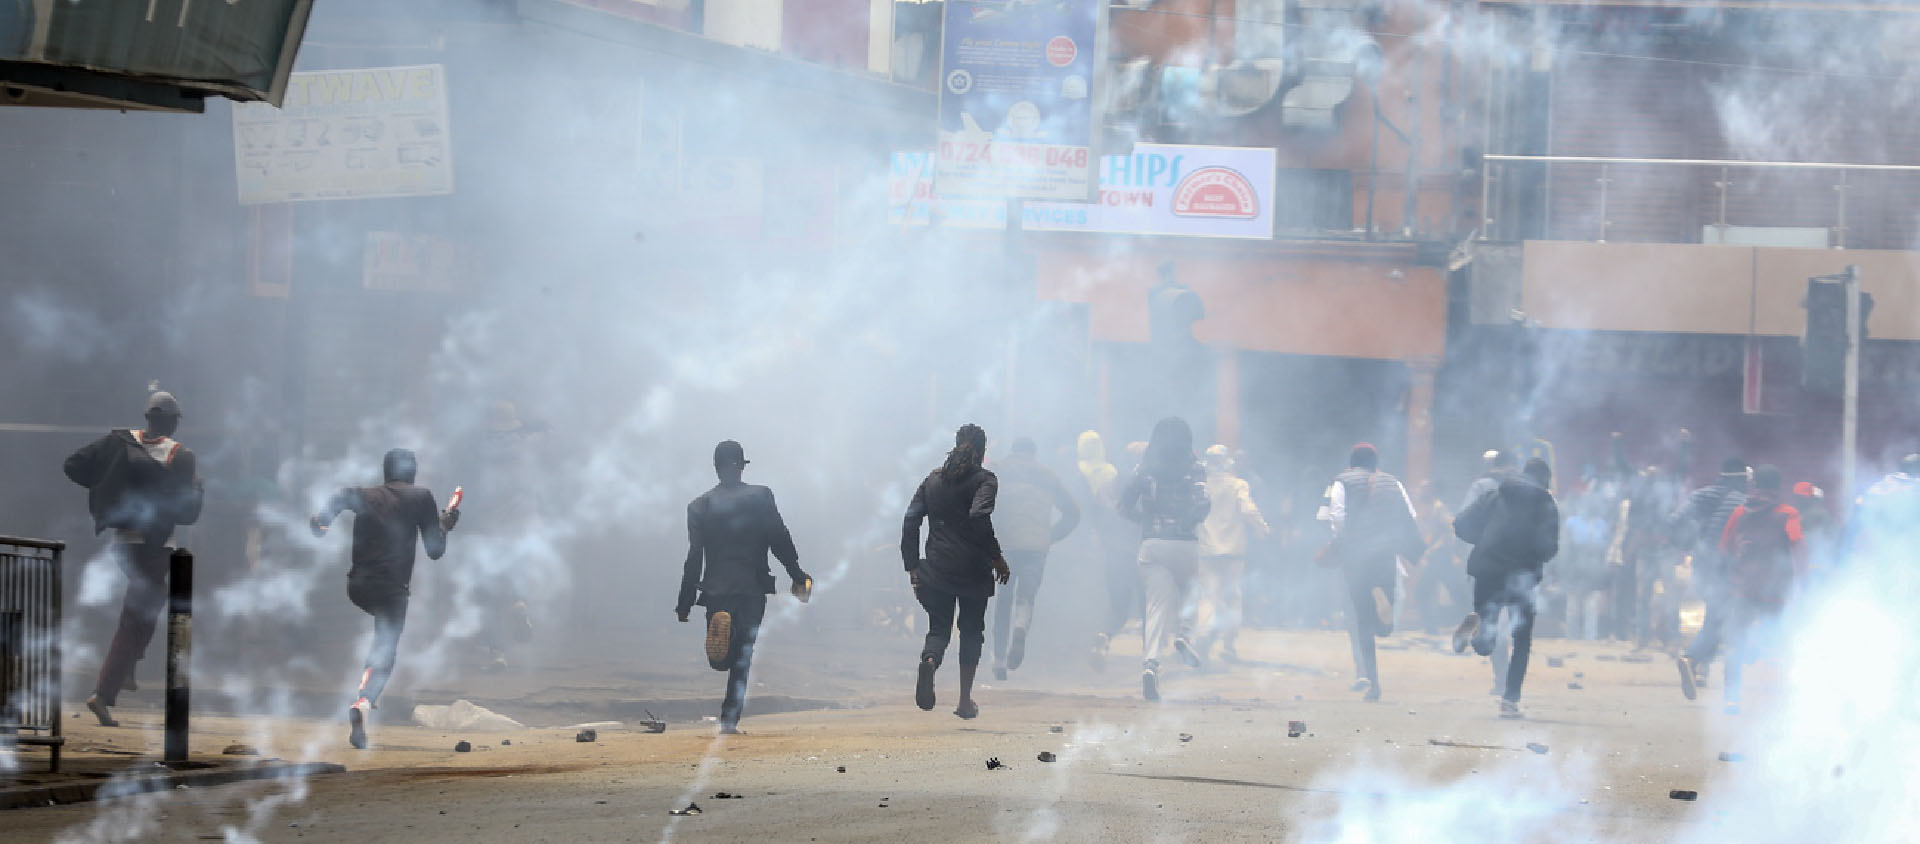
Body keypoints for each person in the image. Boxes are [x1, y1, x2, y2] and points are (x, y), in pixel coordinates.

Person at [65, 392, 205, 727]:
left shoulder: (119, 443)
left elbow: (73, 465)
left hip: (123, 545)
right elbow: (187, 513)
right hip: (154, 547)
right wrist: (197, 490)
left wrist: (109, 488)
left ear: (148, 417)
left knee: (149, 604)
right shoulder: (179, 455)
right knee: (134, 618)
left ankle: (128, 668)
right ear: (172, 422)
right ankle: (104, 692)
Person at [311, 448, 459, 749]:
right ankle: (364, 701)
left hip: (358, 586)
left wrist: (322, 522)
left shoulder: (366, 494)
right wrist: (444, 525)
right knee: (385, 647)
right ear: (413, 472)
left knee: (382, 635)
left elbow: (339, 498)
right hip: (391, 589)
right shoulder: (421, 497)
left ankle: (366, 699)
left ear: (385, 471)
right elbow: (435, 550)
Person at [674, 440, 810, 735]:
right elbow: (779, 538)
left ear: (716, 468)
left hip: (715, 588)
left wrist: (685, 601)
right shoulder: (760, 496)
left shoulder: (699, 505)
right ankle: (729, 719)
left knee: (720, 660)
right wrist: (797, 573)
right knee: (744, 656)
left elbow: (694, 555)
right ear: (742, 465)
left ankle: (722, 642)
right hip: (752, 585)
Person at [903, 424, 1011, 719]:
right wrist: (997, 557)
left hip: (936, 568)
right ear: (982, 450)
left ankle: (929, 660)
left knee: (939, 628)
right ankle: (964, 700)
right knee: (972, 631)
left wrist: (912, 565)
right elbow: (978, 517)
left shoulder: (933, 479)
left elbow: (910, 520)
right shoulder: (984, 480)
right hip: (973, 571)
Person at [1451, 458, 1560, 719]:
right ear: (1544, 479)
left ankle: (1477, 632)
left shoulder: (1495, 494)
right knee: (1521, 639)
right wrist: (1532, 554)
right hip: (1521, 577)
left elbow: (1460, 524)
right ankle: (1509, 701)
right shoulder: (1545, 503)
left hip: (1487, 568)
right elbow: (1549, 548)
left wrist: (1485, 539)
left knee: (1487, 634)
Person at [1318, 443, 1421, 702]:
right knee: (1383, 626)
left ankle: (1373, 684)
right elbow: (1411, 515)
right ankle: (1384, 618)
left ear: (1351, 463)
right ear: (1376, 463)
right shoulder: (1393, 483)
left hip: (1356, 557)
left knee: (1362, 621)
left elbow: (1337, 517)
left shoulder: (1341, 481)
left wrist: (1342, 543)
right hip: (1385, 555)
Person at [1117, 418, 1210, 701]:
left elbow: (1123, 506)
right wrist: (1186, 523)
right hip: (1185, 544)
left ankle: (1151, 665)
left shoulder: (1143, 469)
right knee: (1193, 590)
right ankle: (1184, 635)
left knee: (1156, 607)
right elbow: (1203, 503)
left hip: (1152, 544)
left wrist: (1145, 521)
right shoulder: (1195, 468)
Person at [1715, 465, 1804, 715]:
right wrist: (1804, 583)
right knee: (1776, 643)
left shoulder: (1739, 512)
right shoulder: (1789, 514)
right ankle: (1775, 701)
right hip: (1775, 590)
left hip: (1743, 587)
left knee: (1736, 642)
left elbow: (1725, 547)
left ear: (1755, 487)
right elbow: (1797, 546)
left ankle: (1732, 699)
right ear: (1777, 488)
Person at [987, 438, 1079, 680]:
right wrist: (1051, 536)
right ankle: (1020, 626)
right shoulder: (1047, 475)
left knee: (1003, 600)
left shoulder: (999, 470)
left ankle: (998, 662)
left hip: (1005, 545)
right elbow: (1073, 512)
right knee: (1026, 595)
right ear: (1033, 454)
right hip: (1036, 547)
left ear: (1013, 451)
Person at [1671, 457, 1748, 698]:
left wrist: (1688, 544)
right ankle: (1693, 660)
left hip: (1702, 565)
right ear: (1741, 479)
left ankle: (1699, 667)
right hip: (1725, 569)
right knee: (1721, 622)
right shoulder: (1742, 502)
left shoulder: (1700, 496)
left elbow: (1674, 521)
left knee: (1715, 618)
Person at [1196, 445, 1270, 663]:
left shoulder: (1200, 487)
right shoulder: (1238, 484)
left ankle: (1203, 636)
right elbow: (1248, 510)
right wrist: (1262, 529)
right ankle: (1228, 645)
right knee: (1232, 597)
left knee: (1208, 596)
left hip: (1207, 549)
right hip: (1233, 551)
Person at [1078, 431, 1136, 672]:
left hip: (1107, 547)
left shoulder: (1085, 474)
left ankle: (1101, 633)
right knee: (1149, 602)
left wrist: (1097, 539)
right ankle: (1151, 657)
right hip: (1139, 550)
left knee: (1108, 596)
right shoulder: (1134, 481)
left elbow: (1096, 515)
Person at [1411, 481, 1468, 636]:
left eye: (1423, 490)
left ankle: (1469, 627)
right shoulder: (1429, 509)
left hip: (1442, 558)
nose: (1420, 492)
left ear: (1431, 491)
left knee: (1457, 594)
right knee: (1424, 591)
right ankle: (1431, 629)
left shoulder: (1439, 508)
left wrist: (1436, 550)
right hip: (1436, 559)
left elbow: (1449, 532)